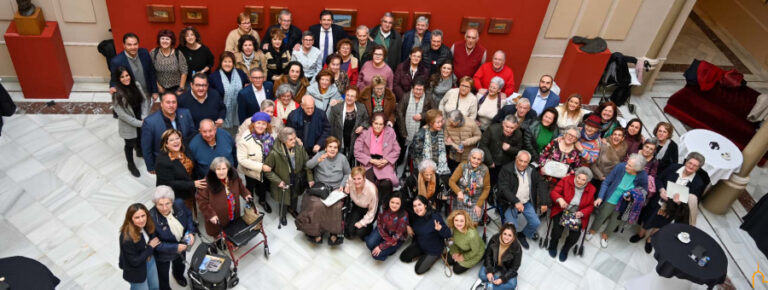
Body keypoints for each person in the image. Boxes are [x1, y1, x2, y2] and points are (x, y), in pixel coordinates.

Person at [636, 152, 709, 240]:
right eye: (690, 163)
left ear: (698, 168)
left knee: (661, 224)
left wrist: (680, 203)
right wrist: (661, 190)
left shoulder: (698, 183)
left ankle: (650, 239)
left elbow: (692, 203)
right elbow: (658, 179)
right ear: (686, 162)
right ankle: (640, 234)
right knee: (647, 218)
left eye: (695, 165)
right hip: (658, 201)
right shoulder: (673, 167)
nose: (691, 166)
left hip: (672, 208)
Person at [587, 154, 648, 248]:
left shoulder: (643, 175)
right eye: (627, 163)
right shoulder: (620, 167)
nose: (626, 166)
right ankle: (592, 231)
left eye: (629, 166)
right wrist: (600, 197)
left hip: (624, 203)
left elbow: (644, 190)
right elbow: (606, 182)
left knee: (615, 221)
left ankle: (605, 236)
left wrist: (632, 196)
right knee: (601, 216)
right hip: (611, 197)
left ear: (637, 169)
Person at [301, 137, 352, 244]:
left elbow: (348, 173)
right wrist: (317, 160)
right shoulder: (320, 155)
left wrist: (342, 185)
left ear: (338, 149)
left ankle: (334, 232)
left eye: (335, 147)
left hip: (336, 188)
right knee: (317, 205)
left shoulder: (342, 158)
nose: (332, 149)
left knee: (336, 206)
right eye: (330, 147)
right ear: (326, 147)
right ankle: (316, 232)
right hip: (321, 187)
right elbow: (308, 166)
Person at [498, 150, 550, 249]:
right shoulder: (506, 169)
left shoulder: (531, 170)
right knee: (512, 228)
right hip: (509, 203)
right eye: (520, 160)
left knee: (536, 223)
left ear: (528, 162)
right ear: (516, 159)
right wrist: (516, 201)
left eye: (525, 162)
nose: (522, 164)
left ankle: (523, 235)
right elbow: (503, 188)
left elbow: (541, 183)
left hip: (526, 202)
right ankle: (510, 244)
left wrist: (544, 202)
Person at [149, 186, 196, 290]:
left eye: (167, 204)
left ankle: (178, 276)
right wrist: (176, 247)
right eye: (160, 204)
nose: (165, 208)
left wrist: (190, 232)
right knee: (163, 275)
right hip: (164, 255)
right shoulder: (151, 218)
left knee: (180, 265)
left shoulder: (179, 203)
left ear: (172, 201)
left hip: (182, 244)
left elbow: (188, 216)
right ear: (155, 204)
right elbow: (156, 244)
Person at [264, 127, 313, 226]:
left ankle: (292, 209)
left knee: (294, 196)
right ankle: (282, 215)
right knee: (284, 199)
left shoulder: (299, 148)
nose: (294, 141)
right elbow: (267, 171)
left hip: (296, 178)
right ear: (283, 140)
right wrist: (278, 181)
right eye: (291, 139)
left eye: (295, 138)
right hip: (283, 181)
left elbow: (307, 164)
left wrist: (310, 178)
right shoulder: (274, 153)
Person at [196, 157, 254, 237]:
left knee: (233, 226)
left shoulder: (233, 175)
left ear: (228, 169)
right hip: (218, 216)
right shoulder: (207, 183)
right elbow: (202, 202)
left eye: (224, 168)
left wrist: (246, 194)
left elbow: (240, 186)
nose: (221, 172)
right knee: (219, 232)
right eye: (218, 169)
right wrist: (211, 214)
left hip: (233, 209)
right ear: (214, 170)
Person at [548, 167, 596, 262]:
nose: (579, 181)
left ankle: (565, 250)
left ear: (587, 181)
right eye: (578, 177)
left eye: (583, 180)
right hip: (562, 209)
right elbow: (554, 192)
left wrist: (582, 212)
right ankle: (553, 245)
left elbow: (591, 206)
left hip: (577, 213)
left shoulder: (592, 189)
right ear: (576, 175)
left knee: (575, 236)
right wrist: (560, 199)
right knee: (557, 231)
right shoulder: (566, 180)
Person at [142, 92, 196, 173]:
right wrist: (150, 166)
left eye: (174, 102)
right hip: (166, 162)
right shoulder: (150, 122)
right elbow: (146, 147)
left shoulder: (186, 113)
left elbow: (193, 134)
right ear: (161, 104)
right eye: (168, 102)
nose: (171, 105)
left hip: (187, 158)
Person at [113, 67, 152, 177]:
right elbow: (123, 115)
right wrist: (140, 123)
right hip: (129, 125)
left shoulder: (136, 84)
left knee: (140, 138)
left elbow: (144, 100)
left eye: (127, 75)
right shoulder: (117, 94)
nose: (126, 78)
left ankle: (140, 152)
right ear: (118, 79)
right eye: (122, 77)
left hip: (140, 117)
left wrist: (144, 116)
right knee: (129, 144)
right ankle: (130, 164)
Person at [399, 195, 452, 275]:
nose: (417, 208)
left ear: (425, 205)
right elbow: (405, 216)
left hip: (433, 249)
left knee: (418, 270)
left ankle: (435, 257)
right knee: (403, 257)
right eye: (414, 206)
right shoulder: (415, 216)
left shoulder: (435, 217)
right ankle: (423, 255)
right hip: (421, 244)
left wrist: (440, 229)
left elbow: (448, 234)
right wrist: (407, 226)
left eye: (419, 205)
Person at [155, 129, 204, 215]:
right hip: (177, 195)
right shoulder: (162, 161)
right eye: (171, 140)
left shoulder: (184, 149)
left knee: (190, 208)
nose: (175, 142)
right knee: (182, 213)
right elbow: (169, 183)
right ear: (166, 144)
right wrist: (192, 184)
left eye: (177, 138)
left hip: (190, 190)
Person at [237, 112, 275, 213]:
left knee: (263, 185)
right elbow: (242, 160)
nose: (261, 126)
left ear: (267, 125)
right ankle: (250, 203)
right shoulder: (245, 139)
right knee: (250, 187)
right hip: (251, 171)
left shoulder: (270, 136)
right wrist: (261, 166)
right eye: (258, 123)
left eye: (264, 123)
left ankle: (262, 201)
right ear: (253, 124)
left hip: (265, 169)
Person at [355, 113, 401, 191]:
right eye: (376, 123)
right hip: (368, 163)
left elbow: (397, 150)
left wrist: (386, 160)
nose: (378, 126)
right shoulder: (365, 132)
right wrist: (372, 160)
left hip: (384, 163)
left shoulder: (390, 132)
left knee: (386, 184)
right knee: (369, 184)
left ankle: (383, 203)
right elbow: (357, 152)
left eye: (381, 124)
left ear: (384, 125)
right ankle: (371, 202)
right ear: (372, 123)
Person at [119, 203, 160, 290]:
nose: (141, 220)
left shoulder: (146, 225)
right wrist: (150, 247)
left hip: (149, 260)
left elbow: (152, 236)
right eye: (137, 217)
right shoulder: (126, 238)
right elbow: (135, 261)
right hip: (136, 271)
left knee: (155, 286)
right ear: (130, 219)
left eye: (143, 215)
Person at [110, 33, 158, 101]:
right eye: (129, 45)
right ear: (124, 45)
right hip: (131, 95)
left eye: (135, 44)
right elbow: (114, 79)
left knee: (147, 110)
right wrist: (112, 86)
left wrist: (154, 91)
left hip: (147, 93)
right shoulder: (116, 61)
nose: (133, 47)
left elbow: (151, 72)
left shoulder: (144, 53)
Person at [208, 53, 248, 132]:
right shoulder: (214, 77)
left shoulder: (241, 73)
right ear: (221, 63)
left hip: (238, 113)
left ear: (233, 63)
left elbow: (246, 88)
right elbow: (211, 97)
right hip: (221, 114)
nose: (227, 64)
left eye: (230, 62)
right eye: (225, 61)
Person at [449, 148, 491, 222]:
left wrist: (479, 204)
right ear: (470, 157)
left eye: (479, 159)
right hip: (462, 198)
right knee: (461, 220)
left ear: (481, 160)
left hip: (476, 199)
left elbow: (487, 188)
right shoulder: (462, 166)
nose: (476, 161)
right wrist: (458, 192)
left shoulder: (485, 169)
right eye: (474, 158)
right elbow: (451, 181)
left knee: (472, 222)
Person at [328, 87, 369, 164]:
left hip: (355, 140)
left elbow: (367, 120)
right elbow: (331, 125)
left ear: (356, 98)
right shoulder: (336, 107)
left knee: (352, 162)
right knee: (339, 162)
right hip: (340, 140)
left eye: (352, 96)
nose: (349, 98)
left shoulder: (361, 107)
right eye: (347, 95)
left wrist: (362, 126)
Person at [475, 223, 521, 290]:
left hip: (506, 268)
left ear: (513, 237)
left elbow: (514, 267)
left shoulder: (517, 248)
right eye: (504, 234)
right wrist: (489, 271)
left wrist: (502, 279)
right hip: (494, 264)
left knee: (512, 284)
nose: (506, 237)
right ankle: (498, 286)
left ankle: (488, 286)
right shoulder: (494, 239)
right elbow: (488, 255)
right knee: (482, 275)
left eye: (510, 235)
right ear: (501, 233)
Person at [479, 114, 523, 184]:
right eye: (507, 127)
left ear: (516, 127)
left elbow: (519, 149)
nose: (508, 130)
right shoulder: (492, 129)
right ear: (503, 124)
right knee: (486, 181)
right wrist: (489, 161)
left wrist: (509, 148)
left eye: (512, 128)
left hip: (505, 164)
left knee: (499, 182)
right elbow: (482, 145)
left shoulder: (518, 134)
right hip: (491, 161)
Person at [366, 193, 409, 261]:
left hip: (395, 238)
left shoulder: (404, 216)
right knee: (369, 244)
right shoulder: (383, 206)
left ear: (401, 204)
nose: (394, 205)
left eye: (397, 203)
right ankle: (383, 243)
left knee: (376, 255)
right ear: (389, 201)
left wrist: (381, 247)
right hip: (383, 230)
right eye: (392, 202)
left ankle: (391, 250)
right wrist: (385, 237)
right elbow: (379, 222)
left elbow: (397, 236)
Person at [409, 110, 450, 176]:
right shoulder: (420, 135)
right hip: (425, 167)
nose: (441, 124)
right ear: (431, 123)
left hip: (441, 165)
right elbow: (416, 156)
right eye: (438, 122)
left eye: (441, 121)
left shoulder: (442, 131)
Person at [396, 80, 436, 149]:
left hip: (422, 132)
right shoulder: (406, 97)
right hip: (406, 132)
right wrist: (403, 132)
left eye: (420, 90)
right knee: (405, 152)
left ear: (424, 90)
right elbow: (399, 114)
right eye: (416, 89)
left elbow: (435, 112)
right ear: (412, 88)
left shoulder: (428, 97)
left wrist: (423, 116)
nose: (418, 92)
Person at [343, 166, 379, 241]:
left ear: (364, 178)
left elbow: (372, 211)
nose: (356, 181)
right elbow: (348, 179)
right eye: (354, 179)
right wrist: (347, 185)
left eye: (359, 179)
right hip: (357, 206)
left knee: (360, 232)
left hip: (369, 209)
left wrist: (362, 223)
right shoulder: (351, 179)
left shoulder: (371, 191)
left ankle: (369, 227)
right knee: (350, 231)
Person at [446, 209, 485, 274]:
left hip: (475, 252)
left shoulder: (472, 235)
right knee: (448, 261)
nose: (458, 223)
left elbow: (475, 251)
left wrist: (463, 257)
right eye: (456, 220)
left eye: (461, 221)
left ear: (466, 221)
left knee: (456, 270)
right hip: (462, 247)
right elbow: (453, 241)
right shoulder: (455, 228)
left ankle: (482, 256)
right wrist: (455, 252)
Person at [150, 30, 188, 95]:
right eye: (162, 38)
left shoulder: (178, 53)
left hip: (176, 88)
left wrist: (181, 89)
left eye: (167, 39)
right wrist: (158, 87)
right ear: (159, 40)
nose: (165, 41)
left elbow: (184, 71)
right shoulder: (153, 53)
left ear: (171, 41)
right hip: (161, 88)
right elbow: (150, 72)